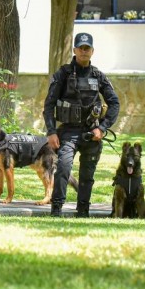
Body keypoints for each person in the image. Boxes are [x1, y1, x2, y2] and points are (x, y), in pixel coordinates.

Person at [43, 32, 120, 217]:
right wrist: (51, 132)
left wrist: (102, 128)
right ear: (75, 50)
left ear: (92, 51)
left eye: (87, 48)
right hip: (68, 131)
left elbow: (114, 103)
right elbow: (49, 104)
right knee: (63, 168)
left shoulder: (98, 76)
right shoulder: (63, 74)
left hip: (91, 133)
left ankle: (83, 210)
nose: (84, 51)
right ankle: (56, 208)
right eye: (81, 48)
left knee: (87, 174)